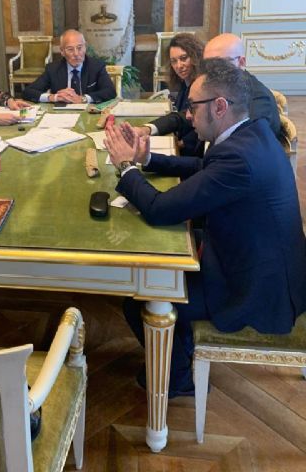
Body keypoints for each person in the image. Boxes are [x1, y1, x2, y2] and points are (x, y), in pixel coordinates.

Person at [105, 57, 306, 397]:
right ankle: (179, 352)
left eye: (194, 107)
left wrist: (125, 167)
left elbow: (159, 210)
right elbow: (204, 166)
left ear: (220, 106)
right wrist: (147, 159)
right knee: (164, 265)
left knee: (139, 297)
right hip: (255, 258)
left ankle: (177, 380)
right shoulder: (251, 132)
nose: (187, 115)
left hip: (255, 290)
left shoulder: (239, 158)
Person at [138, 33, 281, 152]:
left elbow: (234, 158)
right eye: (207, 65)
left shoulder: (259, 102)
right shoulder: (224, 88)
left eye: (220, 64)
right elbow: (185, 116)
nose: (211, 72)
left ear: (241, 62)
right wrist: (148, 129)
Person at [143, 33, 204, 155]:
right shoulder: (184, 82)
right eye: (173, 61)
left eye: (183, 58)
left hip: (193, 153)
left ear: (196, 57)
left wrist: (181, 143)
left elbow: (195, 122)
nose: (179, 66)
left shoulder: (201, 85)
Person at [22, 29, 116, 104]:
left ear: (85, 47)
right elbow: (28, 92)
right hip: (61, 115)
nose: (76, 54)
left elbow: (110, 91)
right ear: (62, 51)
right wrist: (53, 97)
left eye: (80, 48)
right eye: (70, 49)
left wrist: (83, 99)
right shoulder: (53, 69)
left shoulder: (96, 66)